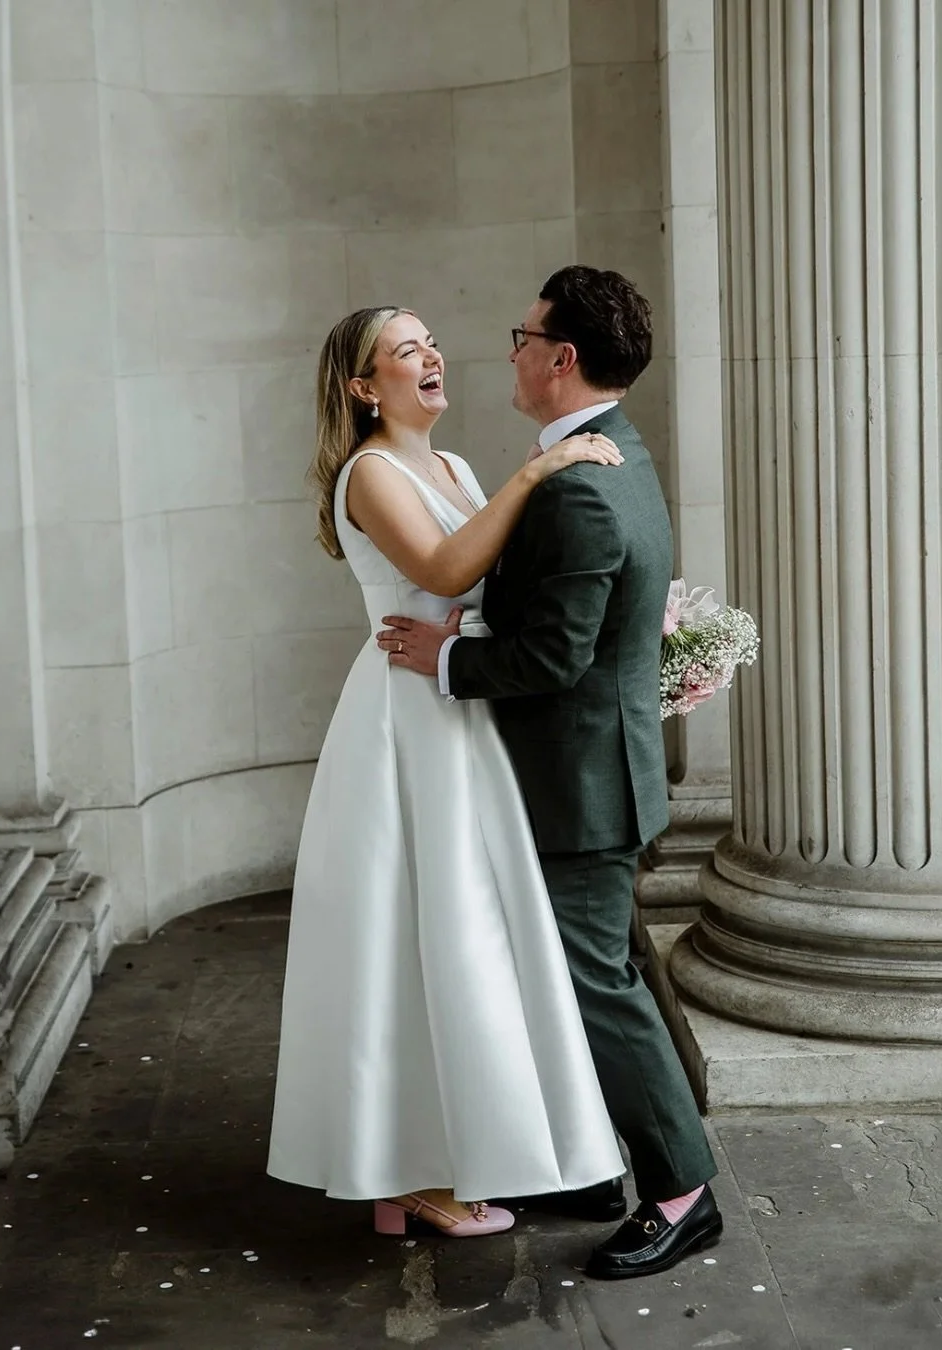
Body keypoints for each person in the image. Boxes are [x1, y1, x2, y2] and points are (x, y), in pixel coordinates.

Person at [376, 266, 723, 1279]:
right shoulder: (616, 455)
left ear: (561, 358)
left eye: (522, 336)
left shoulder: (577, 485)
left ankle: (680, 1190)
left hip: (581, 788)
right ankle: (584, 1167)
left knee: (598, 986)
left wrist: (439, 657)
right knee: (611, 977)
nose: (512, 352)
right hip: (599, 776)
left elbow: (551, 658)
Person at [267, 305, 628, 1238]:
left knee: (462, 936)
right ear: (362, 387)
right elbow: (443, 560)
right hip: (402, 719)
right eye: (404, 350)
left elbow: (491, 585)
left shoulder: (457, 466)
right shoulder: (369, 472)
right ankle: (404, 1174)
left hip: (458, 704)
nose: (431, 356)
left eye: (429, 343)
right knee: (414, 935)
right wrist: (542, 467)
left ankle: (444, 1158)